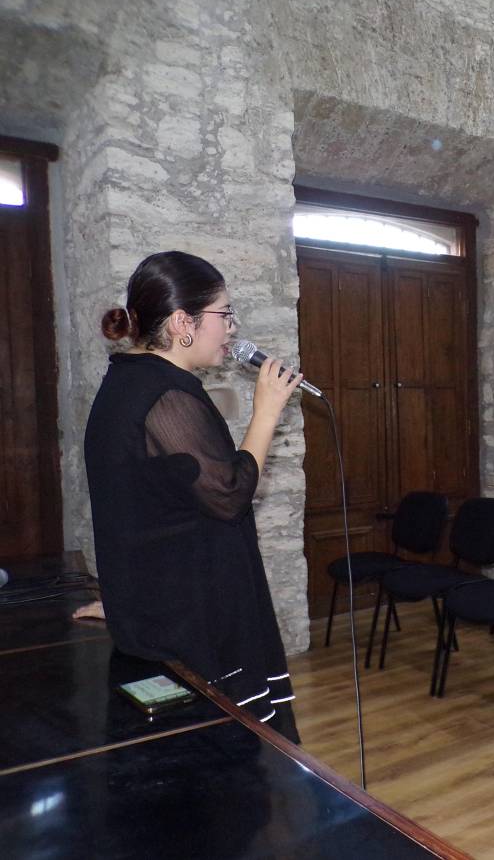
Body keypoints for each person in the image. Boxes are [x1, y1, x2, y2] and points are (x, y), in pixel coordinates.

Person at [84, 251, 304, 741]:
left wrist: (124, 599)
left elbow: (141, 506)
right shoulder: (167, 394)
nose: (231, 330)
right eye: (224, 315)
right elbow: (227, 494)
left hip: (160, 605)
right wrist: (266, 413)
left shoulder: (126, 379)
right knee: (221, 775)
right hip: (192, 617)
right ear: (184, 322)